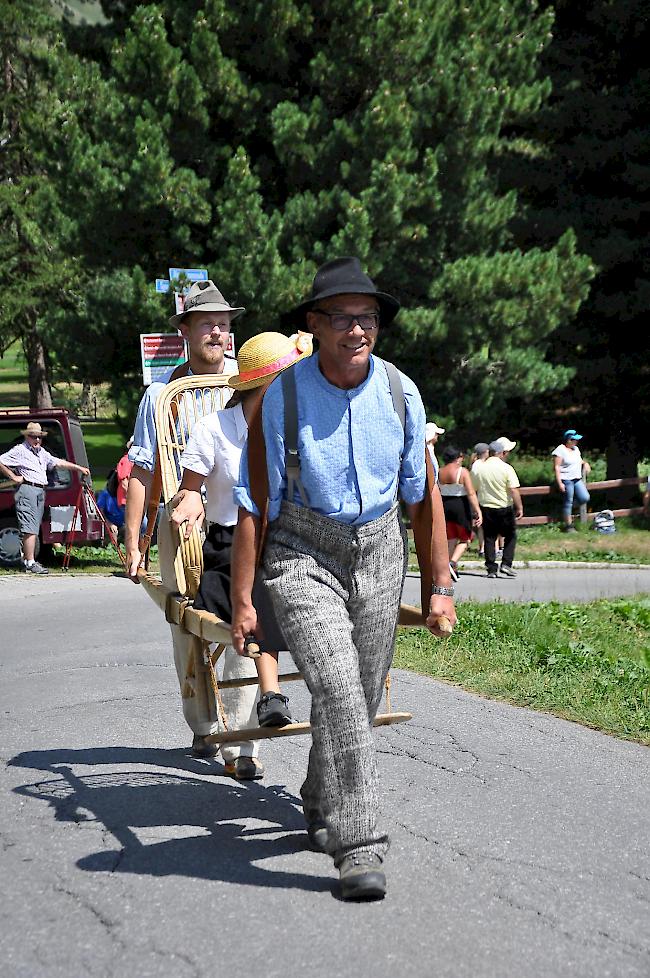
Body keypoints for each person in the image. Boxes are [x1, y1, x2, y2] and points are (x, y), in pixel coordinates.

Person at [230, 256, 456, 900]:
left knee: (355, 687)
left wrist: (438, 584)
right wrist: (243, 598)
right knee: (336, 684)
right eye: (344, 318)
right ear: (315, 324)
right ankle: (359, 842)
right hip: (302, 549)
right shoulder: (284, 396)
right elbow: (257, 501)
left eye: (369, 318)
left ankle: (317, 791)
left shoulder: (399, 391)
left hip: (381, 547)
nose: (359, 330)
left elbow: (422, 496)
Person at [124, 279, 264, 778]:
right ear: (184, 330)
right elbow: (143, 468)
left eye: (225, 324)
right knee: (188, 625)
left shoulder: (249, 381)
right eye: (207, 323)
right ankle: (204, 723)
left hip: (239, 514)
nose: (219, 332)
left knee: (242, 620)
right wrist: (133, 539)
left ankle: (242, 743)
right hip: (180, 521)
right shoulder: (163, 395)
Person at [170, 331, 312, 728]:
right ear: (267, 386)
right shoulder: (214, 428)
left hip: (283, 541)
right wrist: (192, 497)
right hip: (229, 544)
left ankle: (291, 694)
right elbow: (188, 490)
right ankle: (267, 700)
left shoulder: (296, 432)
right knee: (260, 589)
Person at [0, 421, 90, 574]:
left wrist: (78, 468)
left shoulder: (42, 452)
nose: (36, 440)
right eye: (33, 437)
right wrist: (13, 476)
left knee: (34, 527)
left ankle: (30, 561)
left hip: (40, 490)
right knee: (29, 528)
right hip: (28, 489)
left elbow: (57, 462)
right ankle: (30, 562)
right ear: (27, 436)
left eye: (39, 437)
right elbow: (1, 460)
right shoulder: (20, 450)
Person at [472, 438, 523, 578]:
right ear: (502, 453)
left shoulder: (480, 468)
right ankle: (506, 563)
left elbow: (473, 488)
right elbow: (513, 490)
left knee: (489, 537)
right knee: (511, 535)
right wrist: (519, 507)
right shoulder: (507, 468)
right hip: (504, 507)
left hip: (486, 507)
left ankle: (491, 568)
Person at [438, 445, 482, 581]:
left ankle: (448, 567)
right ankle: (453, 562)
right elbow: (471, 493)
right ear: (457, 458)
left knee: (450, 538)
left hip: (445, 504)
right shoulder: (462, 472)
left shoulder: (440, 471)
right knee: (465, 538)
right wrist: (477, 510)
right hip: (460, 506)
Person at [552, 429, 591, 532]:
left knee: (585, 497)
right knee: (568, 501)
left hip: (577, 479)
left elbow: (579, 460)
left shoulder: (576, 449)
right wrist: (559, 482)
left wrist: (585, 463)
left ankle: (566, 510)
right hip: (566, 479)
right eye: (574, 439)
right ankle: (569, 526)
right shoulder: (560, 450)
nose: (576, 441)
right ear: (568, 440)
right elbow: (557, 467)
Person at [470, 442, 490, 557]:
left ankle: (482, 547)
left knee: (482, 524)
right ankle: (484, 548)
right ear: (486, 452)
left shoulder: (476, 464)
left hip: (480, 496)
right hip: (482, 496)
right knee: (485, 524)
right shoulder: (480, 465)